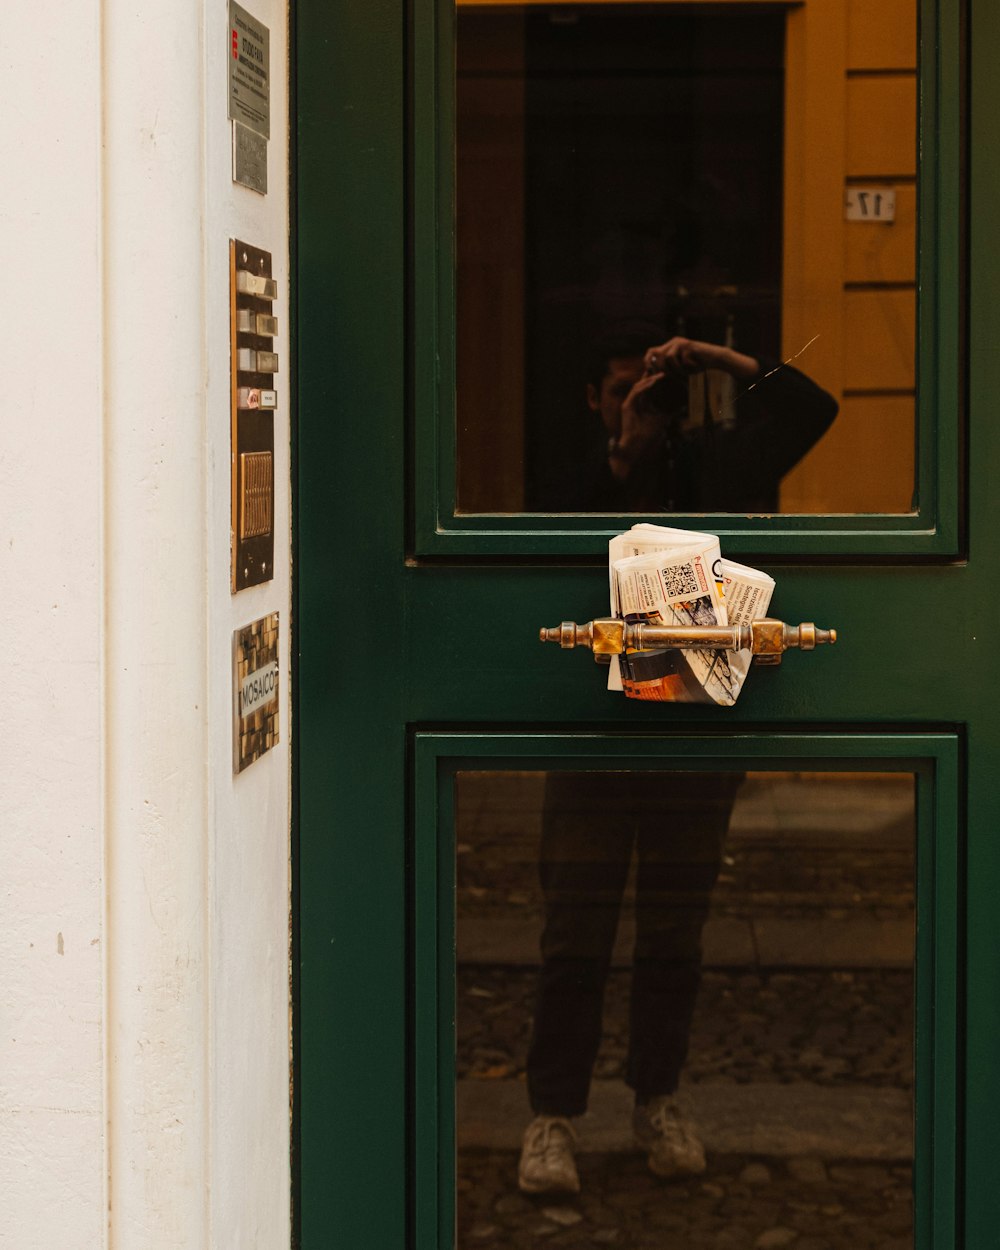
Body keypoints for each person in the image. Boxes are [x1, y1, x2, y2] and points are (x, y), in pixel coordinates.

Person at [518, 334, 838, 1195]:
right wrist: (625, 450)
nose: (646, 404)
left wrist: (716, 360)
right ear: (595, 400)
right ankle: (551, 1117)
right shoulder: (572, 475)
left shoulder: (717, 471)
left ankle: (657, 1099)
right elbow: (527, 572)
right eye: (628, 390)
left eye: (657, 393)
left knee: (673, 934)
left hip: (694, 734)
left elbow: (812, 410)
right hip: (593, 738)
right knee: (572, 936)